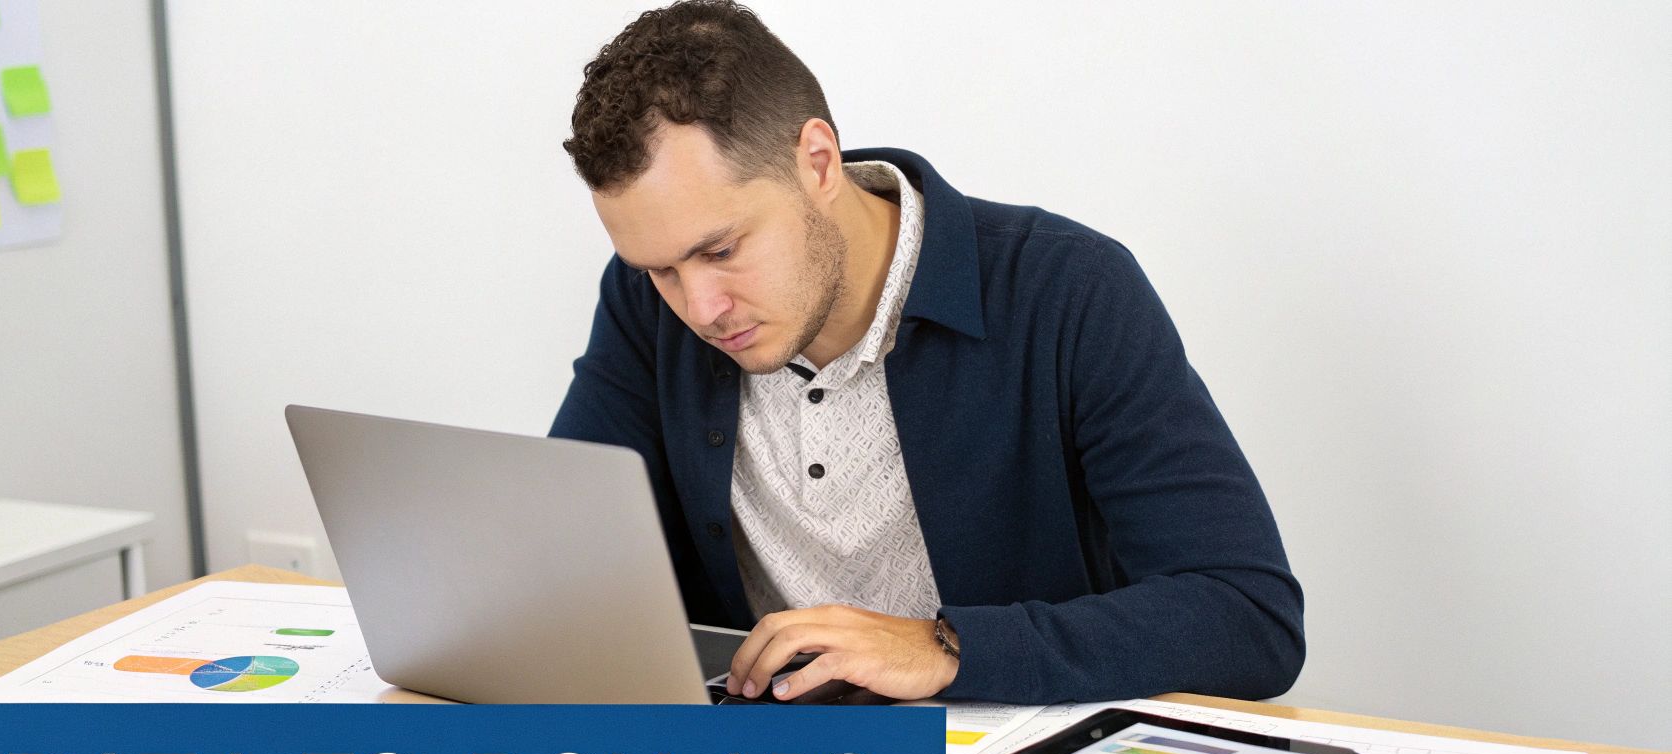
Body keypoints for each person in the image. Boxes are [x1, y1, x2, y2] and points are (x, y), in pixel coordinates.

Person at [550, 1, 1303, 707]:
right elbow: (570, 562)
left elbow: (1246, 613)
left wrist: (948, 648)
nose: (700, 308)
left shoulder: (1067, 288)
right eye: (661, 269)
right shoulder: (647, 302)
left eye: (720, 249)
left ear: (816, 162)